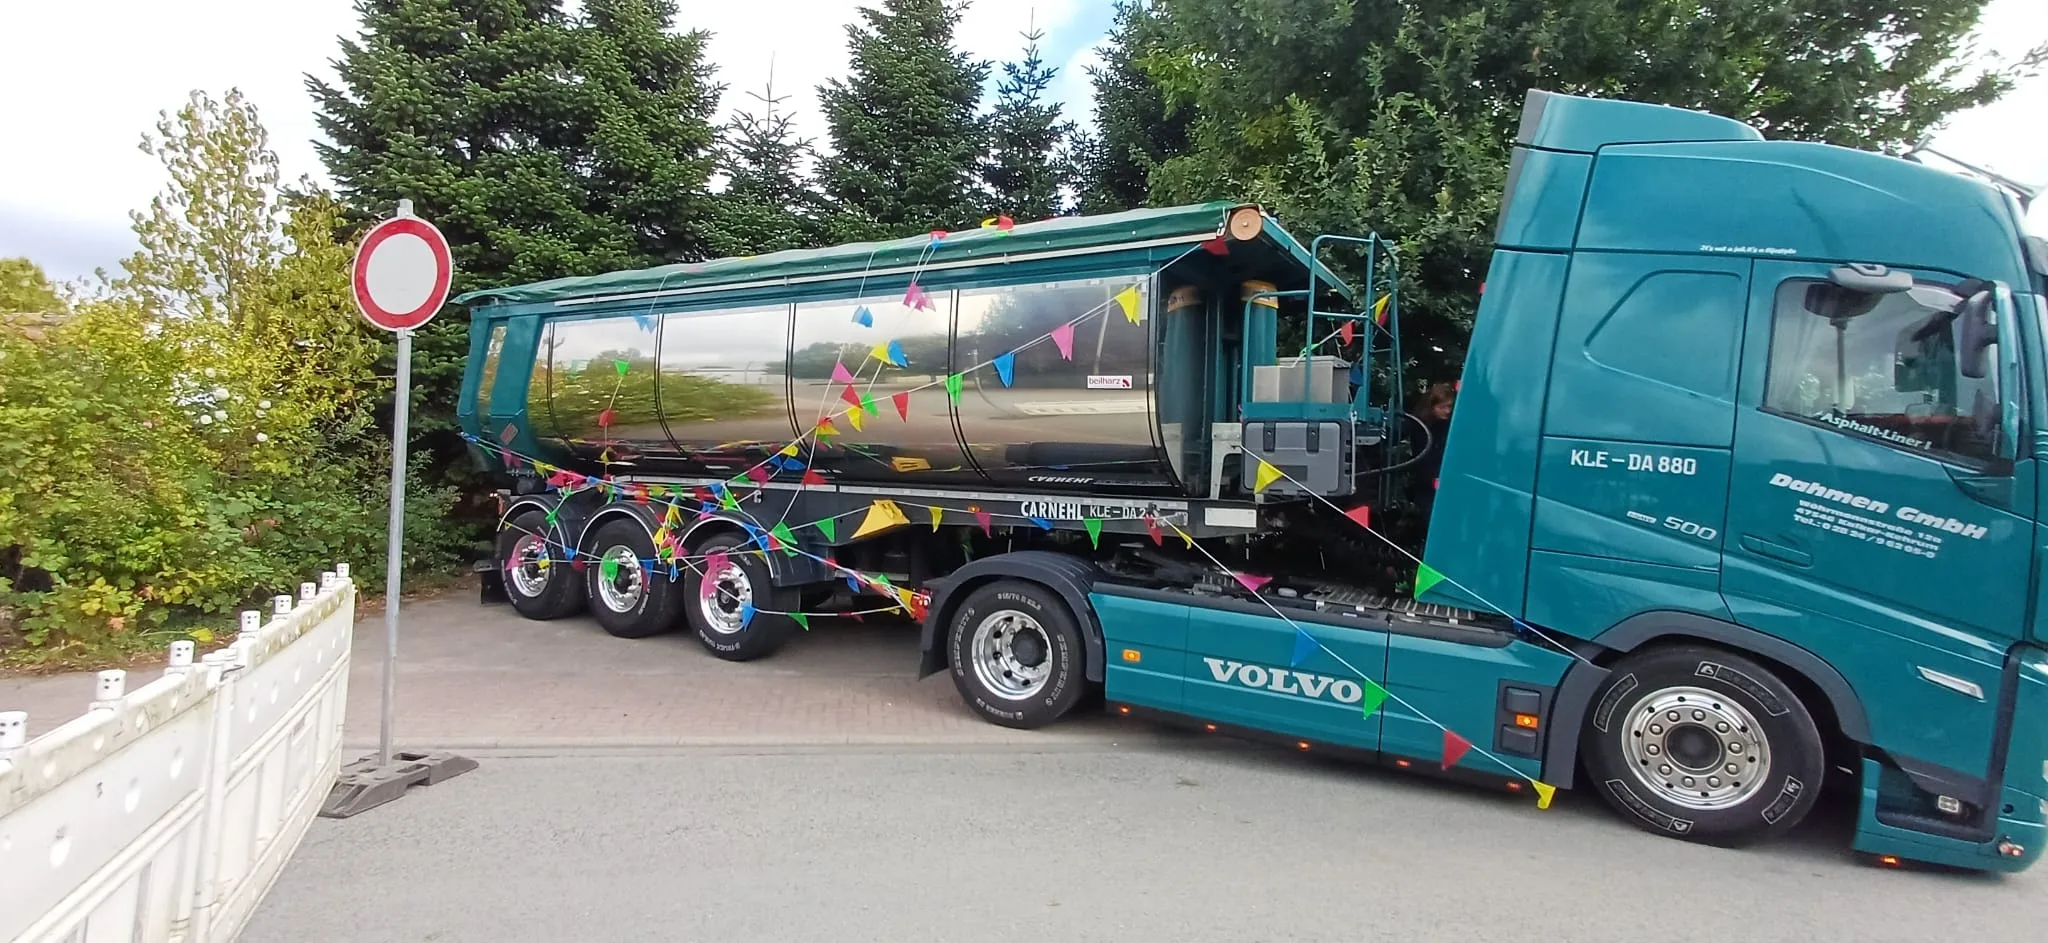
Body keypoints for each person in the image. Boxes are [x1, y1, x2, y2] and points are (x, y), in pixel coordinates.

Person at [1406, 382, 1456, 511]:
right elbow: (1421, 459)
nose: (1447, 411)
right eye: (1442, 407)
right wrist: (1433, 480)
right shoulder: (1420, 426)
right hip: (1427, 485)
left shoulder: (1450, 425)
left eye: (1449, 406)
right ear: (1432, 406)